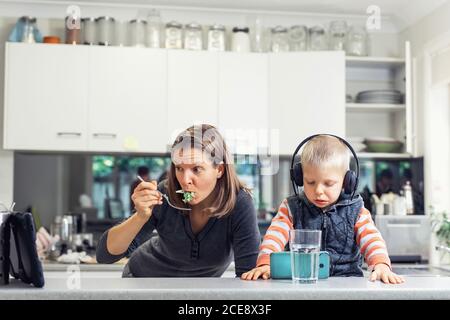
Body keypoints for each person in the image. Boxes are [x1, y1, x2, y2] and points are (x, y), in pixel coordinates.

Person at [96, 124, 261, 277]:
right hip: (142, 279)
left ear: (219, 169)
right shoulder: (165, 193)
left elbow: (248, 274)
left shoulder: (239, 203)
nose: (185, 180)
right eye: (179, 168)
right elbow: (105, 255)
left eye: (196, 169)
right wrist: (140, 217)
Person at [241, 134, 404, 284]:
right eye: (310, 182)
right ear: (299, 177)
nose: (318, 190)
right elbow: (275, 235)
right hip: (304, 283)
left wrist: (380, 264)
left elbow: (371, 238)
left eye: (328, 184)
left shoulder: (356, 210)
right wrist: (266, 263)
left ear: (346, 182)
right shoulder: (291, 207)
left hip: (347, 284)